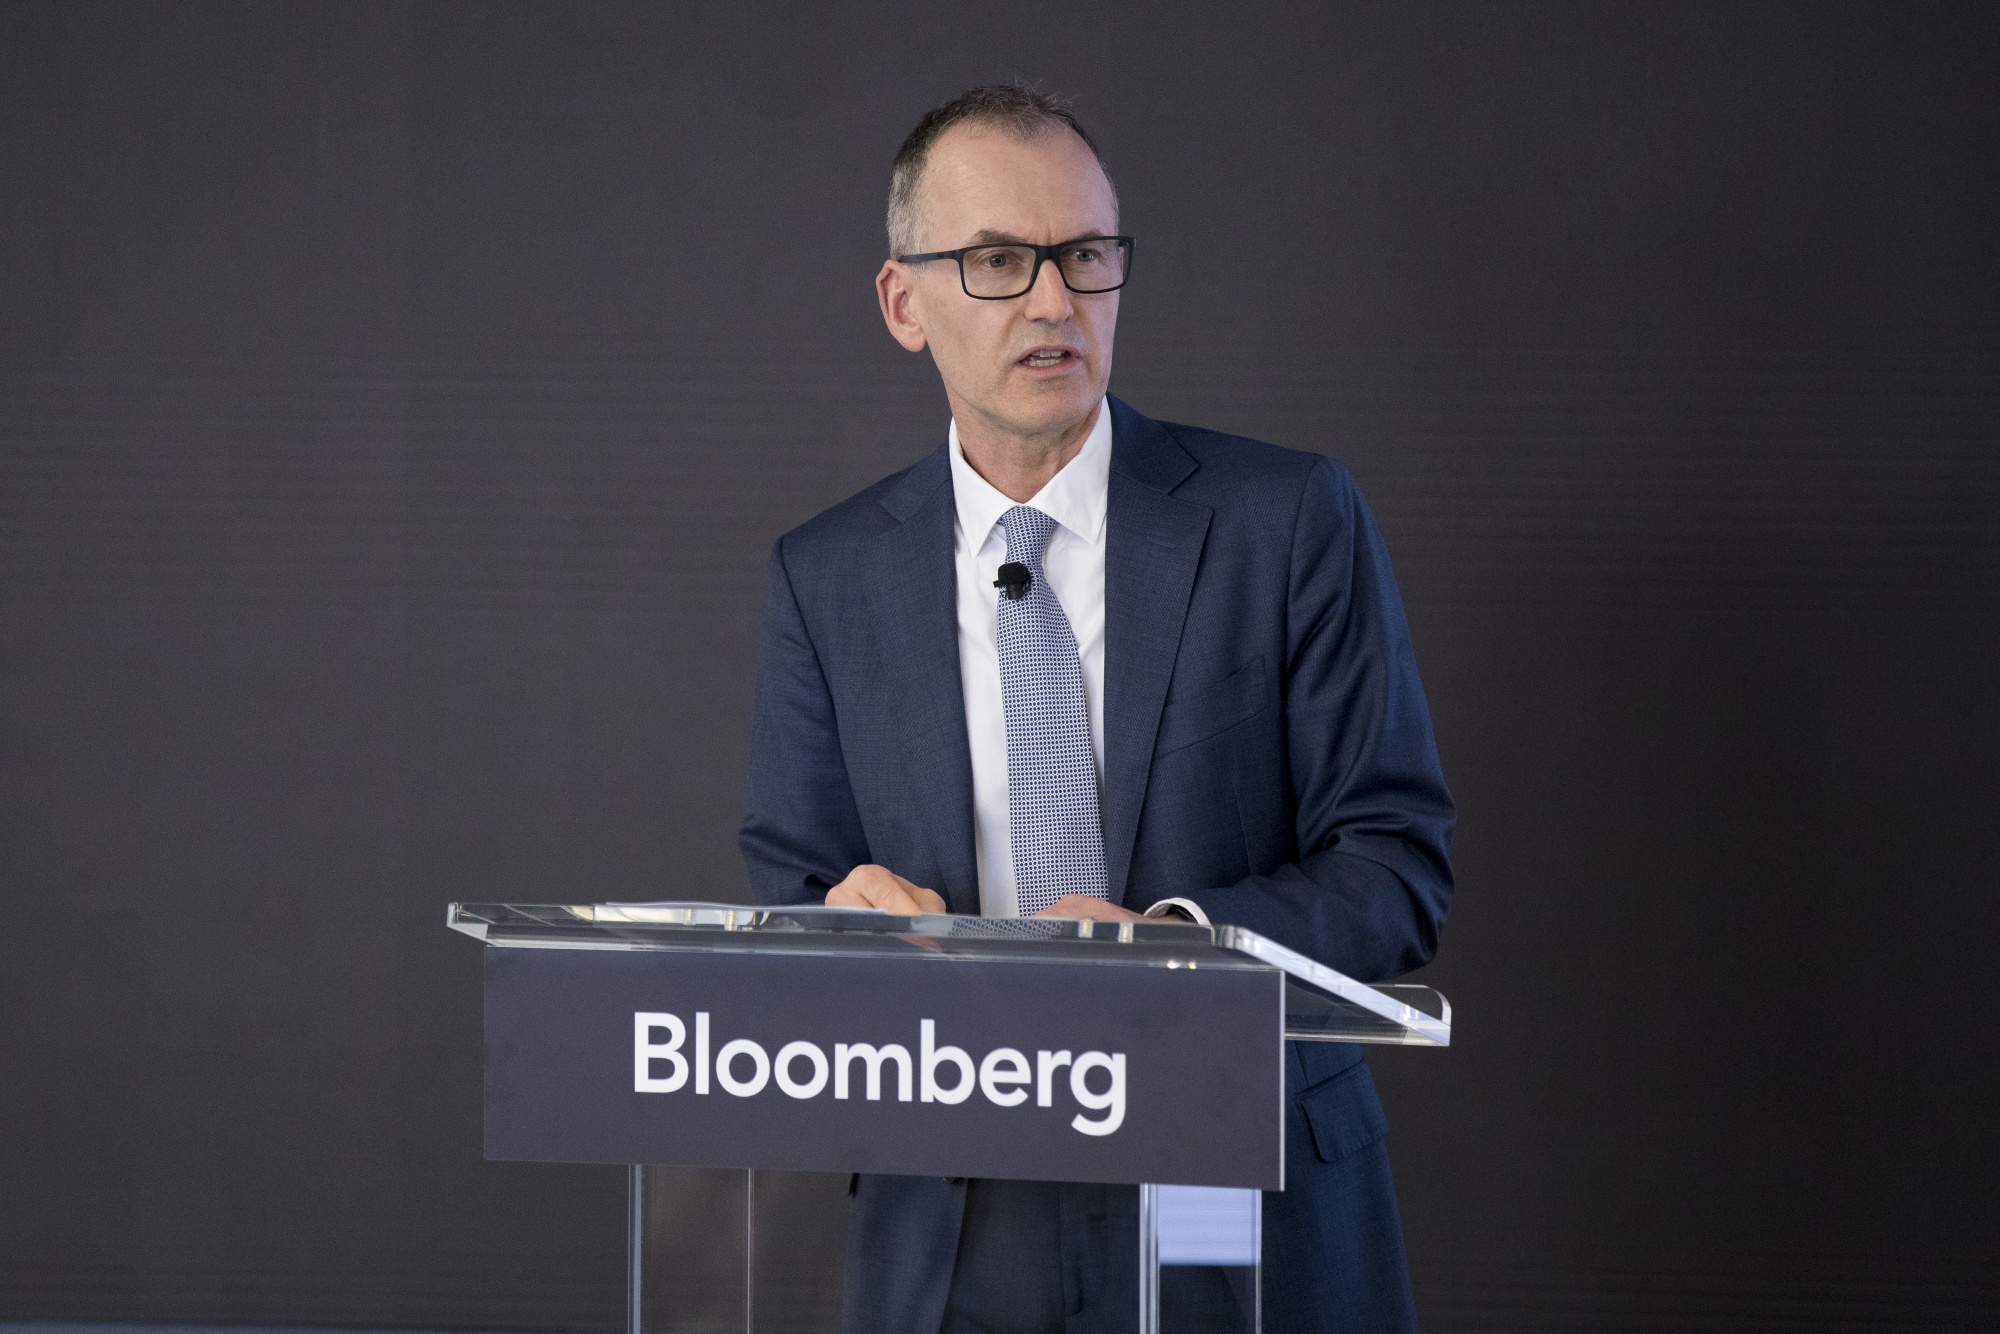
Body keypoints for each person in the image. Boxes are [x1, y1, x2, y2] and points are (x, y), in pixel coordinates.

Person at [740, 84, 1454, 1334]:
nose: (1052, 301)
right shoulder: (827, 574)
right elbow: (795, 891)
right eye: (997, 261)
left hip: (1227, 1174)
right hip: (954, 1208)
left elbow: (1394, 868)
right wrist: (844, 929)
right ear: (903, 303)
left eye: (1083, 254)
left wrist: (1178, 943)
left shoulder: (1284, 521)